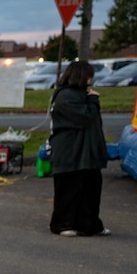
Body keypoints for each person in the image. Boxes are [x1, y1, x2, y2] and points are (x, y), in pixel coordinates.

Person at [48, 61, 109, 237]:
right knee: (69, 189)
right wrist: (93, 100)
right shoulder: (66, 96)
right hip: (70, 150)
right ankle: (63, 223)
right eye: (89, 74)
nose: (92, 78)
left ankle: (89, 224)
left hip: (85, 151)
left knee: (90, 188)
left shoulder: (78, 94)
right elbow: (85, 117)